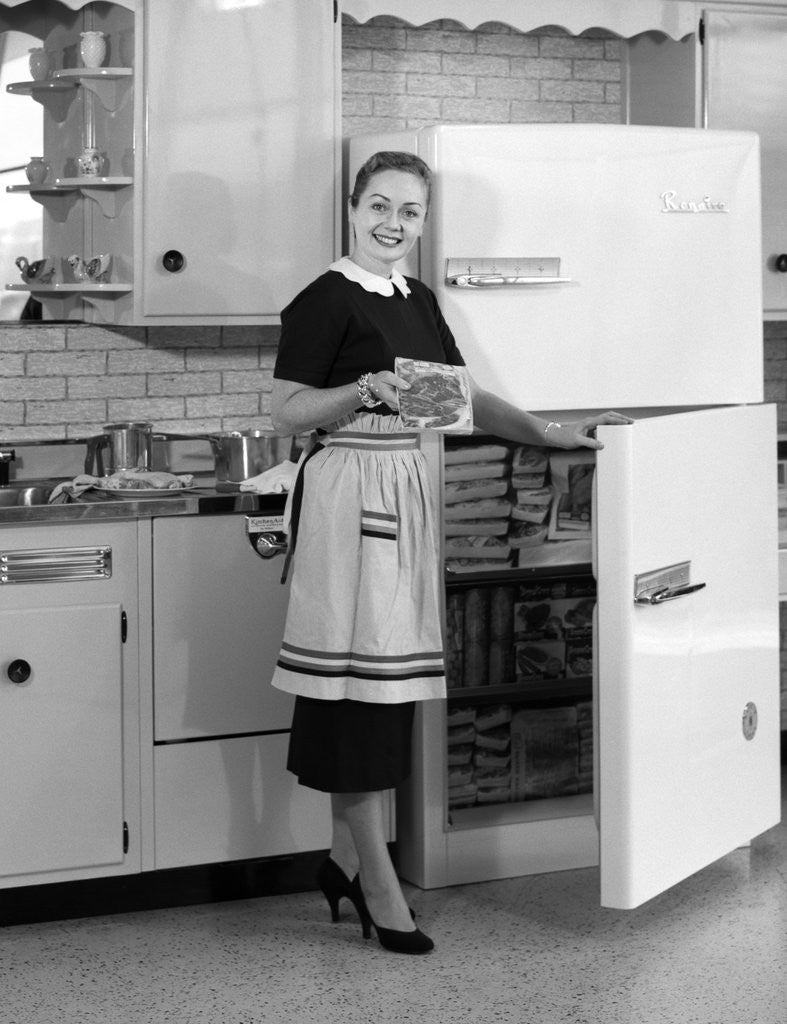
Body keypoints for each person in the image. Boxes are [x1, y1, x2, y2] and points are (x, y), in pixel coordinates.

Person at [269, 150, 631, 955]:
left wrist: (546, 433)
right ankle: (380, 889)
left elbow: (456, 402)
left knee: (381, 693)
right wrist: (365, 389)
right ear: (353, 208)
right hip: (352, 497)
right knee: (358, 694)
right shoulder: (324, 300)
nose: (393, 225)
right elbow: (291, 411)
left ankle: (341, 863)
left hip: (405, 493)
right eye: (380, 207)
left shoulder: (414, 300)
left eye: (410, 212)